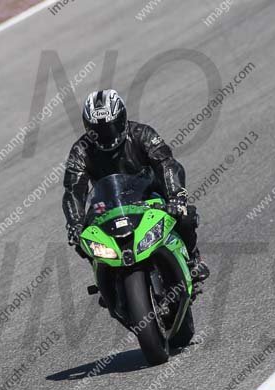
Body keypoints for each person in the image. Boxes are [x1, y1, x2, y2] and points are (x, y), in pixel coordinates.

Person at [62, 89, 209, 285]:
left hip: (148, 195)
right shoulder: (81, 150)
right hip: (107, 204)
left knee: (186, 216)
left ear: (122, 119)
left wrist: (176, 196)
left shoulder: (142, 134)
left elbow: (166, 164)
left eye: (110, 127)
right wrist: (75, 223)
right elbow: (73, 189)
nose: (106, 135)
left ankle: (192, 258)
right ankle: (107, 279)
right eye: (98, 130)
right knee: (83, 237)